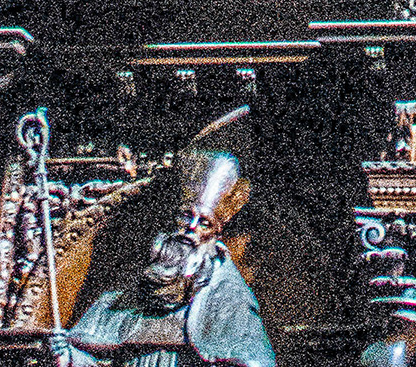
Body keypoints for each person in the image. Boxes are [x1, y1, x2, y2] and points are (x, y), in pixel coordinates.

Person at [57, 135, 275, 367]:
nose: (190, 229)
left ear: (215, 236)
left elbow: (254, 361)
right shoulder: (128, 292)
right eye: (186, 216)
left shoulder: (229, 298)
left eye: (204, 223)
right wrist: (69, 357)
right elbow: (95, 360)